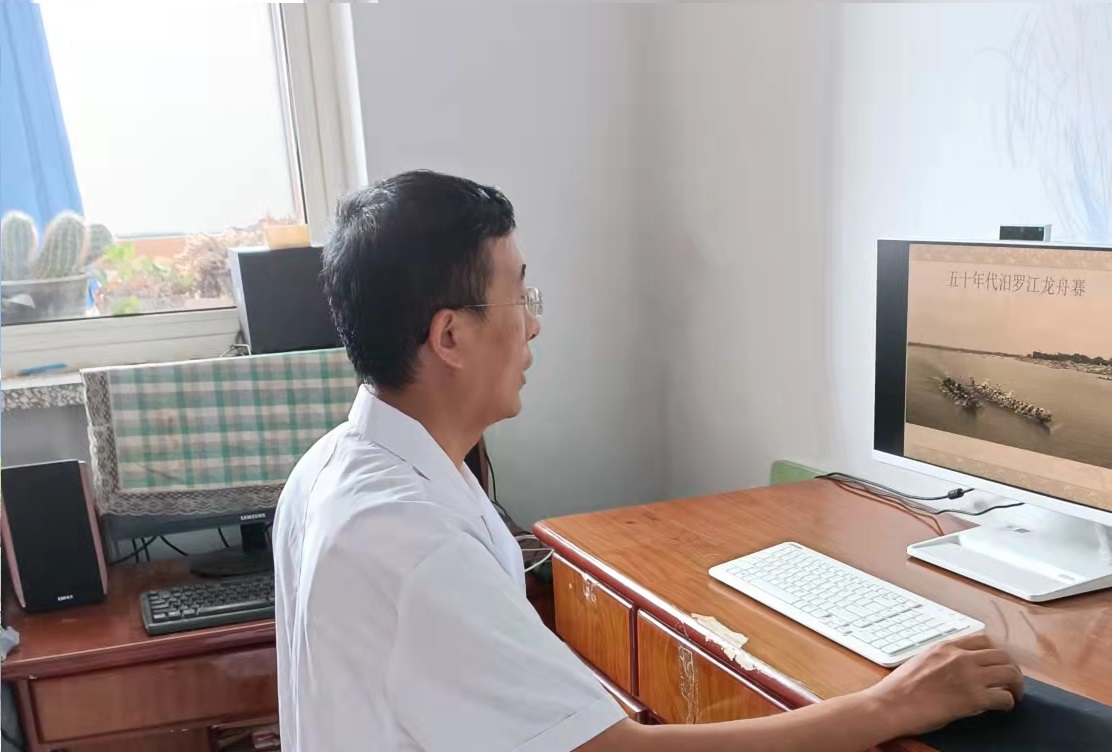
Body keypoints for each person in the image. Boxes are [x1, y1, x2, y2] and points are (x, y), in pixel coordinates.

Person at [273, 170, 1024, 752]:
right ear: (449, 338)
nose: (533, 326)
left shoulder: (332, 468)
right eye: (519, 297)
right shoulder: (415, 547)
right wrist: (889, 705)